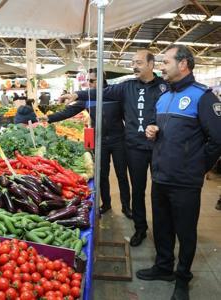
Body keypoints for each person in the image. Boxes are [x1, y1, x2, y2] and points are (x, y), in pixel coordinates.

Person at [137, 45, 221, 300]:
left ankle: (182, 278)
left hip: (185, 181)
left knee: (185, 232)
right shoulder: (163, 97)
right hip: (161, 175)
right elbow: (161, 130)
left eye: (166, 61)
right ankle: (164, 267)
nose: (162, 66)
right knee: (162, 227)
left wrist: (197, 167)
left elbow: (217, 139)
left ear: (183, 64)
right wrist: (152, 130)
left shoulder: (203, 97)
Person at [60, 50, 167, 247]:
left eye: (139, 62)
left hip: (160, 147)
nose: (135, 65)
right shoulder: (126, 87)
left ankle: (163, 232)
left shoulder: (165, 87)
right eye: (133, 62)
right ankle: (140, 228)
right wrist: (77, 93)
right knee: (138, 190)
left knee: (160, 192)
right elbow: (101, 92)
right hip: (135, 147)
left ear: (151, 64)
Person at [41, 68, 132, 219]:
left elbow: (128, 113)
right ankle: (106, 204)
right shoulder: (88, 97)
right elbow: (69, 112)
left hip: (118, 140)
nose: (88, 84)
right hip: (99, 140)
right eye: (87, 80)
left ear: (101, 79)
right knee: (101, 175)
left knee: (122, 174)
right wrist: (48, 119)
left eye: (92, 80)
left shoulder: (115, 95)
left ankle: (126, 207)